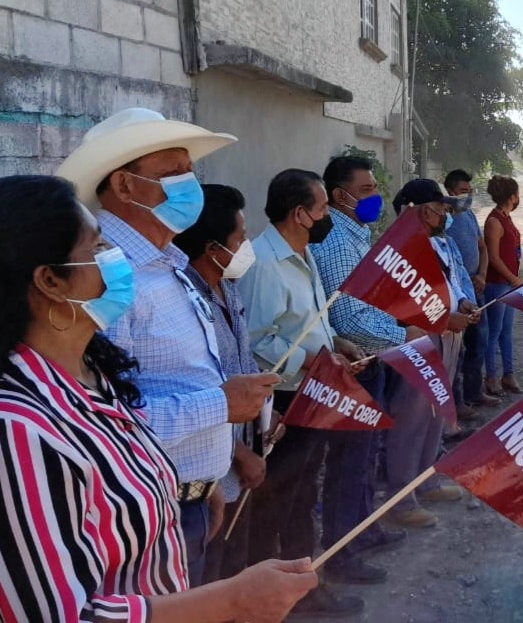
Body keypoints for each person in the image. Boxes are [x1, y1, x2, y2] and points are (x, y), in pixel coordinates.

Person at [0, 175, 316, 622]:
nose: (118, 261)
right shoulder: (19, 431)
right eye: (98, 250)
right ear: (50, 280)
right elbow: (58, 615)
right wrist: (232, 599)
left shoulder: (93, 377)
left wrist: (170, 495)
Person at [56, 108, 277, 586]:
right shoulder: (106, 280)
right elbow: (104, 421)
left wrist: (205, 482)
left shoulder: (169, 264)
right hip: (145, 513)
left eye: (189, 171)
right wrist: (220, 404)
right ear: (124, 186)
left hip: (186, 500)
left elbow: (177, 378)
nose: (188, 184)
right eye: (172, 173)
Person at [237, 168, 364, 617]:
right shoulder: (263, 264)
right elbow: (254, 341)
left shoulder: (302, 252)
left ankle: (302, 588)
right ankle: (266, 597)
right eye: (324, 207)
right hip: (283, 403)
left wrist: (334, 344)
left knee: (302, 494)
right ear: (299, 213)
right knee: (275, 500)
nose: (328, 214)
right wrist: (310, 361)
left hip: (312, 395)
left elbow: (307, 321)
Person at [307, 155, 411, 582]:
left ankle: (363, 529)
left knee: (366, 458)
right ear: (339, 196)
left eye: (374, 188)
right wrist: (406, 337)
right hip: (353, 366)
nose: (376, 198)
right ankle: (341, 551)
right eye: (367, 191)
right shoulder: (333, 243)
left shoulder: (359, 235)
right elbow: (346, 317)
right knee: (348, 464)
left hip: (373, 359)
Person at [172, 184, 270, 583]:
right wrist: (239, 452)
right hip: (210, 469)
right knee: (209, 572)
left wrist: (266, 413)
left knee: (236, 560)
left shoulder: (229, 288)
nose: (247, 247)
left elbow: (244, 365)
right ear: (213, 249)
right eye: (241, 239)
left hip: (245, 457)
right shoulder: (182, 300)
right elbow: (198, 391)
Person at [384, 179, 476, 529]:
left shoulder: (438, 243)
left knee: (437, 410)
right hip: (419, 340)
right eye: (442, 208)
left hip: (447, 335)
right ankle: (401, 498)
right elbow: (403, 304)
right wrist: (444, 318)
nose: (446, 214)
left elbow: (450, 285)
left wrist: (463, 303)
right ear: (425, 211)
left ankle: (427, 479)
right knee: (412, 416)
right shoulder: (401, 248)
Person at [444, 169, 499, 416]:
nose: (468, 196)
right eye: (464, 191)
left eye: (470, 191)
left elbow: (482, 247)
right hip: (456, 295)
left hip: (476, 289)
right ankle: (456, 403)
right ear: (451, 192)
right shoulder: (443, 220)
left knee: (480, 341)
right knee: (457, 349)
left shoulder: (469, 217)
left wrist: (482, 275)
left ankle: (474, 392)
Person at [483, 175, 523, 396]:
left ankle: (508, 374)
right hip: (498, 285)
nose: (518, 199)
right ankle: (490, 377)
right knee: (494, 332)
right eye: (517, 195)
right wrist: (513, 278)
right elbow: (494, 258)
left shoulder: (505, 218)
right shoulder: (494, 222)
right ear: (511, 197)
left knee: (506, 332)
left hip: (508, 284)